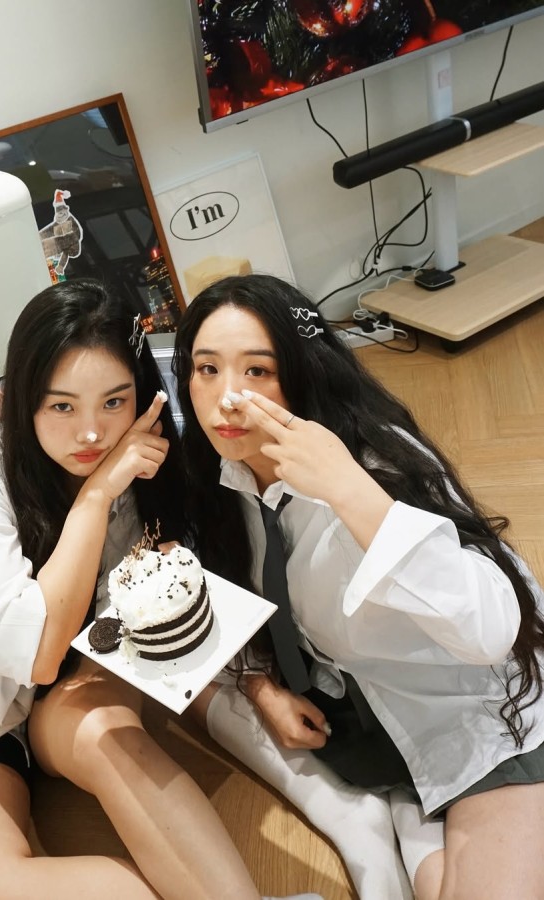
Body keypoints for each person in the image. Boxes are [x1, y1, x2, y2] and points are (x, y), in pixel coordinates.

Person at [0, 278, 321, 900]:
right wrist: (96, 496)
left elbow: (159, 603)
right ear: (23, 398)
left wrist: (253, 680)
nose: (91, 433)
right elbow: (34, 654)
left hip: (77, 684)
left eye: (114, 402)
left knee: (107, 736)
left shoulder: (144, 463)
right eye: (62, 407)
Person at [172, 273, 544, 900]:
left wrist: (349, 490)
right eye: (207, 369)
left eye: (258, 371)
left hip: (482, 719)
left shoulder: (375, 464)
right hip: (382, 737)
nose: (227, 397)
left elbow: (492, 630)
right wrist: (260, 686)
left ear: (302, 372)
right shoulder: (221, 478)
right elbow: (237, 597)